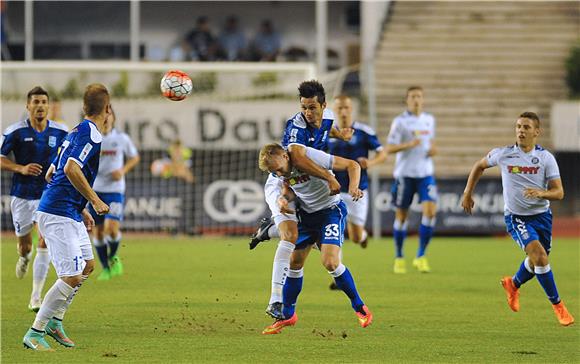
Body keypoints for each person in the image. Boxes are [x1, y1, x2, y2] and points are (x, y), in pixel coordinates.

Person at [249, 80, 353, 320]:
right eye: (304, 107)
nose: (307, 113)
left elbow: (329, 128)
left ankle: (269, 229)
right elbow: (298, 159)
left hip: (303, 183)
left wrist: (342, 136)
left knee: (310, 236)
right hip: (282, 179)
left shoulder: (326, 116)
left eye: (312, 108)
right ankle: (275, 300)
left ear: (323, 105)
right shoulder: (296, 127)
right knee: (291, 236)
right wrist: (328, 176)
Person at [461, 112, 574, 327]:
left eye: (526, 127)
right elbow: (479, 166)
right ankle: (558, 306)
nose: (521, 130)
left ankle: (513, 284)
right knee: (540, 257)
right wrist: (468, 192)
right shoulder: (504, 154)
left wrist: (542, 193)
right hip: (516, 217)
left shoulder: (545, 158)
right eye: (518, 126)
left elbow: (559, 193)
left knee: (536, 262)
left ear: (536, 132)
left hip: (542, 217)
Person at [22, 83, 111, 351]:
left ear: (84, 108)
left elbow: (53, 173)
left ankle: (55, 321)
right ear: (106, 110)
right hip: (58, 212)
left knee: (86, 266)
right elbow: (71, 169)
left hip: (69, 210)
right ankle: (35, 332)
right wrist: (94, 200)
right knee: (71, 276)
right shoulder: (91, 135)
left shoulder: (75, 131)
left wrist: (81, 207)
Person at [258, 143, 372, 334]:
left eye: (277, 169)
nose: (277, 173)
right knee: (294, 263)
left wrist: (353, 187)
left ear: (285, 156)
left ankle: (360, 307)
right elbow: (289, 189)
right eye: (273, 172)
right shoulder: (282, 173)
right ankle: (288, 315)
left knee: (330, 262)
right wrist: (283, 199)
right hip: (306, 216)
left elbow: (353, 165)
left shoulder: (309, 157)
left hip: (331, 212)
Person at [0, 86, 68, 312]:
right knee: (25, 246)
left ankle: (36, 296)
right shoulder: (15, 131)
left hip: (47, 195)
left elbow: (68, 159)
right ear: (28, 106)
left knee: (44, 241)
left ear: (48, 106)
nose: (39, 106)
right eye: (35, 102)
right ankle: (24, 258)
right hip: (21, 195)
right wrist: (20, 168)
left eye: (43, 102)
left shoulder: (60, 132)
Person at [386, 86, 437, 274]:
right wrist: (408, 144)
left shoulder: (429, 120)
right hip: (405, 174)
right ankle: (399, 257)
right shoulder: (400, 122)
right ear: (407, 100)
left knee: (431, 212)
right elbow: (389, 148)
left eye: (419, 96)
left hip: (425, 173)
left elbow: (431, 143)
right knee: (401, 216)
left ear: (423, 100)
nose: (416, 100)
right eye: (413, 96)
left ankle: (421, 256)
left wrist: (433, 150)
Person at [328, 95, 387, 248]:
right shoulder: (328, 133)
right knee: (332, 229)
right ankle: (334, 262)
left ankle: (363, 236)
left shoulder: (364, 131)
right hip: (334, 190)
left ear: (351, 109)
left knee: (355, 237)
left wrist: (370, 162)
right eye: (339, 108)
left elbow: (382, 153)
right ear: (334, 110)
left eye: (346, 107)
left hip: (358, 190)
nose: (343, 112)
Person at [89, 107, 139, 281]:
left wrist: (122, 170)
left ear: (114, 118)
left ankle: (113, 257)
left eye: (110, 114)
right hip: (94, 190)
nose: (107, 117)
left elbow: (134, 157)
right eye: (105, 114)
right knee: (98, 232)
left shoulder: (121, 138)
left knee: (111, 229)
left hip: (115, 190)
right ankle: (105, 269)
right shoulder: (93, 137)